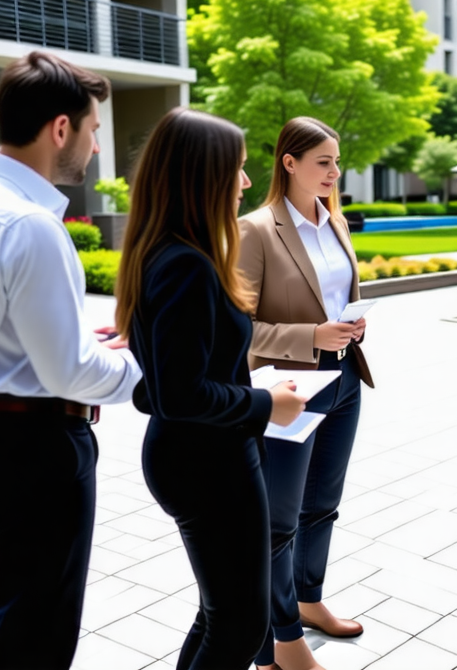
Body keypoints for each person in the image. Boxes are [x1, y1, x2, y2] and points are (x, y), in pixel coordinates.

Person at [0, 51, 143, 669]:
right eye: (94, 128)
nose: (96, 146)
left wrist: (84, 346)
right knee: (37, 645)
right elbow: (68, 375)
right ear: (61, 128)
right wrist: (139, 368)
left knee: (9, 630)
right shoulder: (30, 225)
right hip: (33, 451)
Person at [116, 108, 307, 669]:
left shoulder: (171, 253)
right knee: (242, 625)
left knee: (224, 613)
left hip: (204, 456)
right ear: (203, 176)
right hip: (206, 465)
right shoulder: (185, 265)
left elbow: (154, 389)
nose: (247, 183)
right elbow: (179, 394)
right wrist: (267, 403)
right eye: (239, 170)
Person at [239, 117, 375, 670]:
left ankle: (309, 599)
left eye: (337, 162)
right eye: (323, 162)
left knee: (324, 505)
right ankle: (282, 636)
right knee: (280, 518)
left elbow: (336, 298)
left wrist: (350, 327)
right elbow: (240, 329)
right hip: (291, 387)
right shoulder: (256, 230)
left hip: (343, 380)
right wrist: (310, 336)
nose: (334, 172)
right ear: (289, 163)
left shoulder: (335, 222)